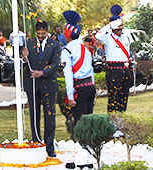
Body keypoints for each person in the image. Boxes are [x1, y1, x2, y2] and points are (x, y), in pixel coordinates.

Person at [61, 10, 96, 169]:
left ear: (67, 34)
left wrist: (70, 96)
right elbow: (92, 71)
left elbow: (68, 75)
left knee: (80, 123)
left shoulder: (66, 51)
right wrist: (94, 91)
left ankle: (82, 160)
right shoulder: (85, 49)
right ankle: (88, 157)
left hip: (79, 89)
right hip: (90, 87)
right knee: (87, 122)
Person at [22, 20, 61, 157]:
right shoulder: (28, 43)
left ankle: (49, 146)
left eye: (43, 34)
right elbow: (22, 64)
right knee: (34, 115)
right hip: (32, 85)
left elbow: (56, 64)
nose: (40, 36)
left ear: (47, 32)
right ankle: (37, 143)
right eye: (38, 33)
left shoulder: (55, 45)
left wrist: (42, 72)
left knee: (50, 117)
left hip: (48, 85)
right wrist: (23, 57)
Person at [95, 4, 132, 113]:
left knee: (124, 97)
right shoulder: (107, 38)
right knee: (114, 97)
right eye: (117, 26)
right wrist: (110, 25)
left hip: (126, 69)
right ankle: (112, 122)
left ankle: (121, 121)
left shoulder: (125, 38)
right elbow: (98, 36)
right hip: (114, 69)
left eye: (121, 26)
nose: (120, 28)